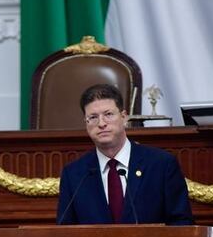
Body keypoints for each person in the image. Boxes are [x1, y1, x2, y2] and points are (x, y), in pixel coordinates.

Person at [57, 84, 194, 225]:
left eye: (108, 114)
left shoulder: (161, 164)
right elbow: (65, 232)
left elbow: (182, 223)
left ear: (124, 117)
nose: (101, 123)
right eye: (93, 117)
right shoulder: (74, 174)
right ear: (86, 123)